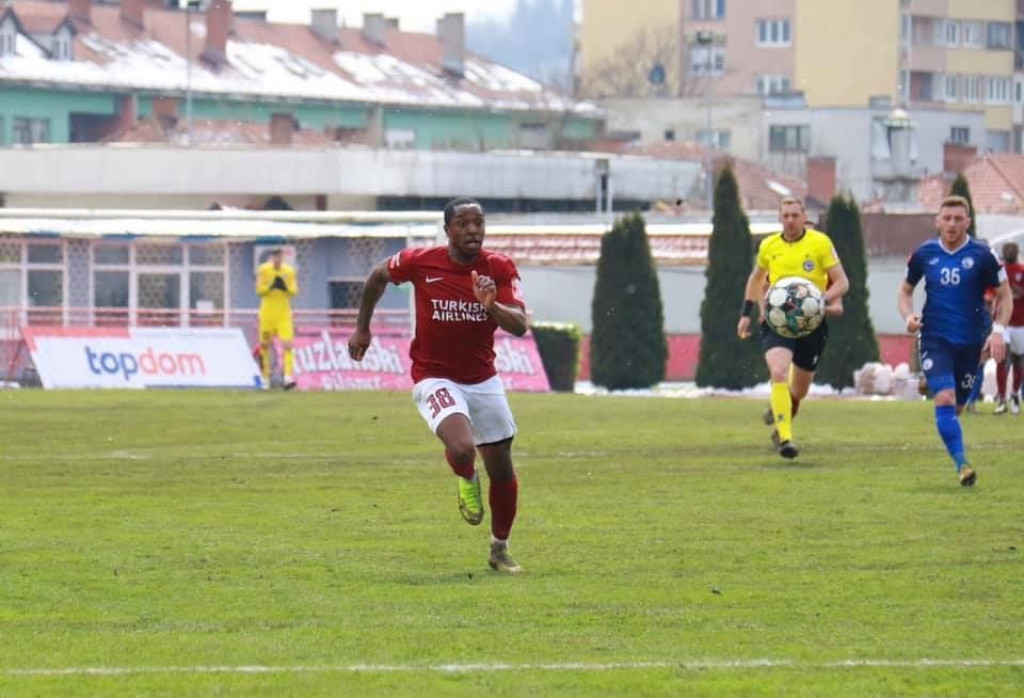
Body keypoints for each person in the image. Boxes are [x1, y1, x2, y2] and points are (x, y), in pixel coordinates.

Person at [347, 197, 529, 574]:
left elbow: (520, 325)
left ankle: (500, 548)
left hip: (483, 379)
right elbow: (378, 276)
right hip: (433, 375)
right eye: (463, 224)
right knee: (463, 448)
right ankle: (465, 476)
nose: (472, 230)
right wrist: (363, 326)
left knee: (503, 470)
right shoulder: (420, 261)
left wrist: (492, 306)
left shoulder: (498, 267)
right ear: (447, 230)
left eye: (478, 223)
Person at [898, 195, 1011, 486]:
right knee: (945, 399)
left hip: (971, 341)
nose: (951, 224)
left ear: (968, 222)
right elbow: (905, 291)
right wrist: (908, 316)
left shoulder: (984, 255)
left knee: (955, 408)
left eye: (958, 219)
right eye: (946, 218)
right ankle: (963, 465)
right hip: (935, 337)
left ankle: (932, 384)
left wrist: (998, 330)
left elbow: (1005, 295)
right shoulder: (924, 253)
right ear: (937, 221)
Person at [737, 197, 849, 459]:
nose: (790, 220)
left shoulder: (820, 243)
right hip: (778, 323)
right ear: (779, 218)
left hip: (812, 324)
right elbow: (756, 280)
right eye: (785, 215)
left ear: (803, 216)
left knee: (798, 391)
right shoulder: (769, 246)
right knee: (778, 371)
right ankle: (786, 438)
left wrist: (819, 300)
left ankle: (781, 411)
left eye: (795, 215)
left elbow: (842, 282)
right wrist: (747, 313)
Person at [255, 247, 299, 390]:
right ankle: (265, 379)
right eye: (274, 257)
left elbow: (294, 291)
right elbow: (259, 291)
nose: (277, 260)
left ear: (282, 258)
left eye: (279, 257)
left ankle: (287, 377)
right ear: (271, 258)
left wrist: (284, 287)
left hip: (283, 314)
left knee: (287, 344)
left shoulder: (289, 272)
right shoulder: (264, 270)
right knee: (265, 346)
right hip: (267, 314)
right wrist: (270, 286)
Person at [994, 241, 1024, 415]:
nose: (1010, 250)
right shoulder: (998, 270)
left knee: (1019, 361)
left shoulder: (1022, 271)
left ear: (1017, 251)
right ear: (1003, 252)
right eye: (1007, 248)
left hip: (1021, 323)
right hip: (1003, 323)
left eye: (1012, 248)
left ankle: (1014, 394)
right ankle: (1001, 399)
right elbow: (991, 292)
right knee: (1001, 358)